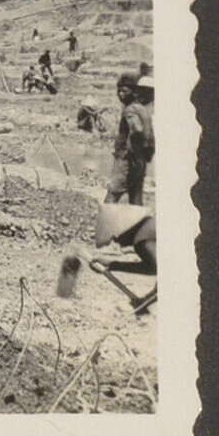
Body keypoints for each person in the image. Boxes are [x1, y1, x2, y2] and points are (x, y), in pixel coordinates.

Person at [91, 203, 157, 313]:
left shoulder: (142, 240)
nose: (118, 243)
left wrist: (146, 300)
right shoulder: (149, 225)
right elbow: (154, 268)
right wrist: (113, 265)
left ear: (125, 230)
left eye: (116, 238)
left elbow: (159, 270)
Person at [105, 71, 155, 206]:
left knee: (113, 193)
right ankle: (139, 220)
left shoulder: (130, 110)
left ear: (134, 92)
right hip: (140, 159)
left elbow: (137, 129)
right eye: (119, 91)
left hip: (127, 158)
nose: (121, 94)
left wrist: (131, 152)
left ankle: (105, 220)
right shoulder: (143, 109)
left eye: (125, 91)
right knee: (136, 196)